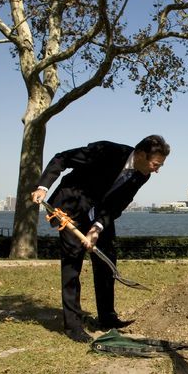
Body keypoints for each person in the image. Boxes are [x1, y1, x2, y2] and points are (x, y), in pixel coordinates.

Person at [31, 135, 170, 343]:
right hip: (71, 208)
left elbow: (118, 203)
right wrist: (43, 187)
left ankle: (107, 317)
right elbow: (62, 158)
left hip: (100, 214)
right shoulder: (107, 151)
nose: (156, 170)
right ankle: (73, 326)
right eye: (155, 164)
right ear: (141, 154)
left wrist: (97, 228)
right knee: (72, 264)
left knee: (107, 261)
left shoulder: (142, 174)